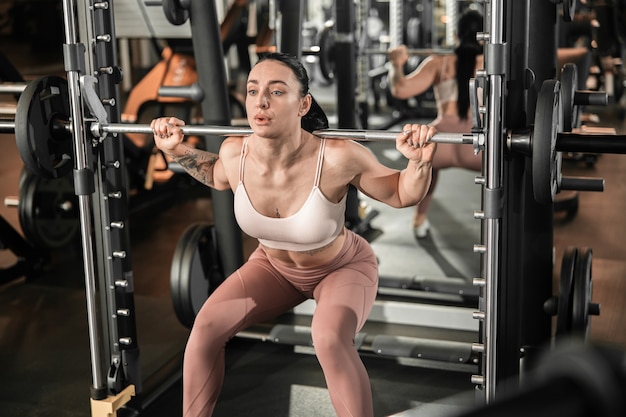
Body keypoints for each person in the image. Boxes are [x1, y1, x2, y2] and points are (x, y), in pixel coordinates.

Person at [151, 52, 437, 417]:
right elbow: (216, 175)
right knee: (205, 329)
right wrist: (176, 150)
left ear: (303, 104)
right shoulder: (234, 152)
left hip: (341, 267)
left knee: (329, 339)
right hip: (272, 268)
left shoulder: (336, 157)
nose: (261, 101)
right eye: (253, 91)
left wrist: (419, 162)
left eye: (276, 91)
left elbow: (402, 193)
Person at [387, 9, 484, 239]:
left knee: (427, 170)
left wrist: (396, 64)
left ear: (455, 34)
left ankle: (419, 220)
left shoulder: (438, 62)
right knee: (508, 175)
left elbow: (399, 89)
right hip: (478, 148)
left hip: (440, 143)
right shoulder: (496, 63)